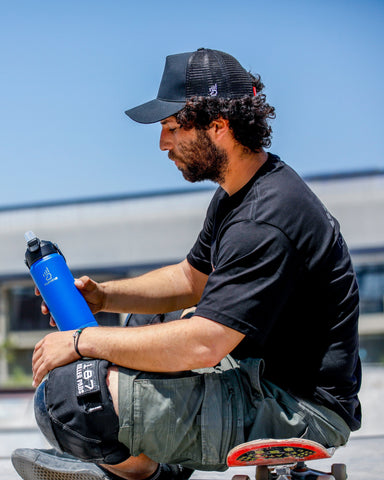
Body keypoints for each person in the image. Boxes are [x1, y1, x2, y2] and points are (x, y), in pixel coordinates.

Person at [12, 48, 361, 480]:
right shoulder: (240, 191)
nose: (163, 143)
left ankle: (146, 473)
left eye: (172, 128)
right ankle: (144, 456)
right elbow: (189, 279)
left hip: (296, 407)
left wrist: (84, 340)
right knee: (150, 319)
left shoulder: (266, 217)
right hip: (253, 374)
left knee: (68, 401)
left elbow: (204, 344)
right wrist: (104, 297)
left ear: (219, 127)